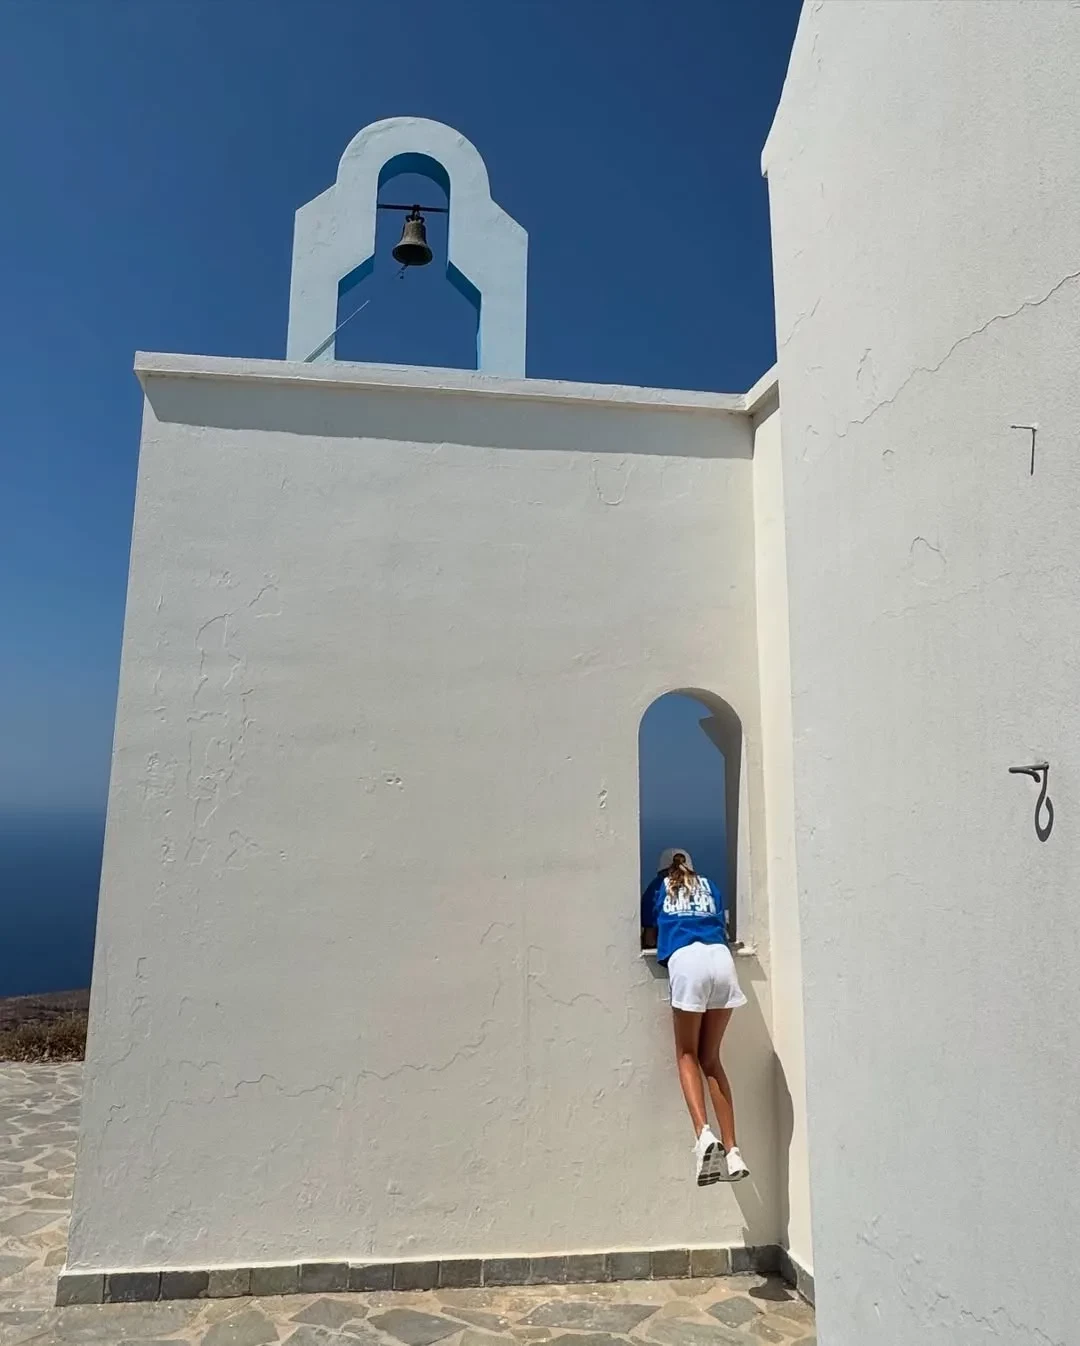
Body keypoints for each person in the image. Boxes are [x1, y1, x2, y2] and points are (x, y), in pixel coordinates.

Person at [641, 848, 749, 1186]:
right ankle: (733, 1151)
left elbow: (650, 935)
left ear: (663, 870)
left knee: (687, 1054)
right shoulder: (709, 884)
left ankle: (703, 1135)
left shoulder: (658, 888)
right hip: (721, 961)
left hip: (688, 962)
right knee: (711, 1059)